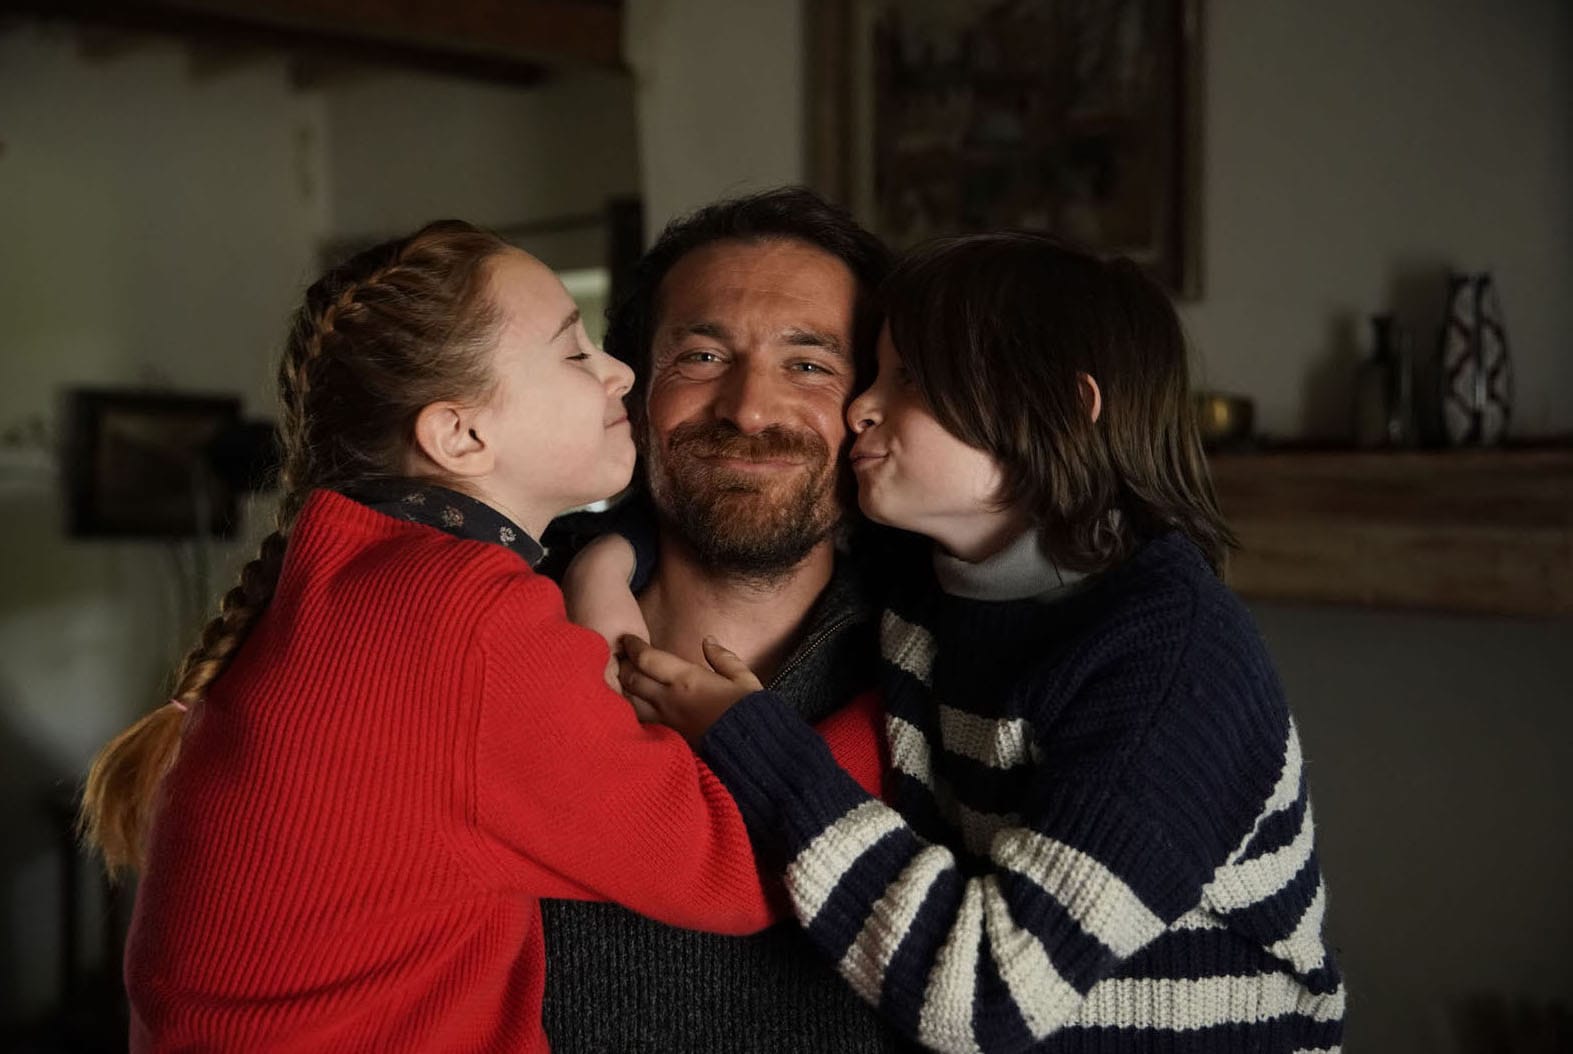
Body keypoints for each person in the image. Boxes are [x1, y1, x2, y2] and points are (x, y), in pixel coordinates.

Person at [76, 220, 883, 1051]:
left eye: (809, 364)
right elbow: (734, 862)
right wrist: (902, 701)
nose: (618, 373)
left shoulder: (360, 584)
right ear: (459, 435)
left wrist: (602, 564)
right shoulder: (462, 622)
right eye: (575, 353)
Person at [619, 232, 1347, 1053]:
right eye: (873, 372)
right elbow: (726, 504)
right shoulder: (928, 586)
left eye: (910, 379)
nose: (860, 407)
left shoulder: (1171, 660)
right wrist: (603, 564)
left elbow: (987, 992)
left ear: (1060, 407)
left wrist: (751, 742)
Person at [537, 188, 913, 1052]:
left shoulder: (945, 677)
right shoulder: (498, 639)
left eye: (808, 365)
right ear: (634, 397)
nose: (748, 409)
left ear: (872, 406)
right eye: (702, 357)